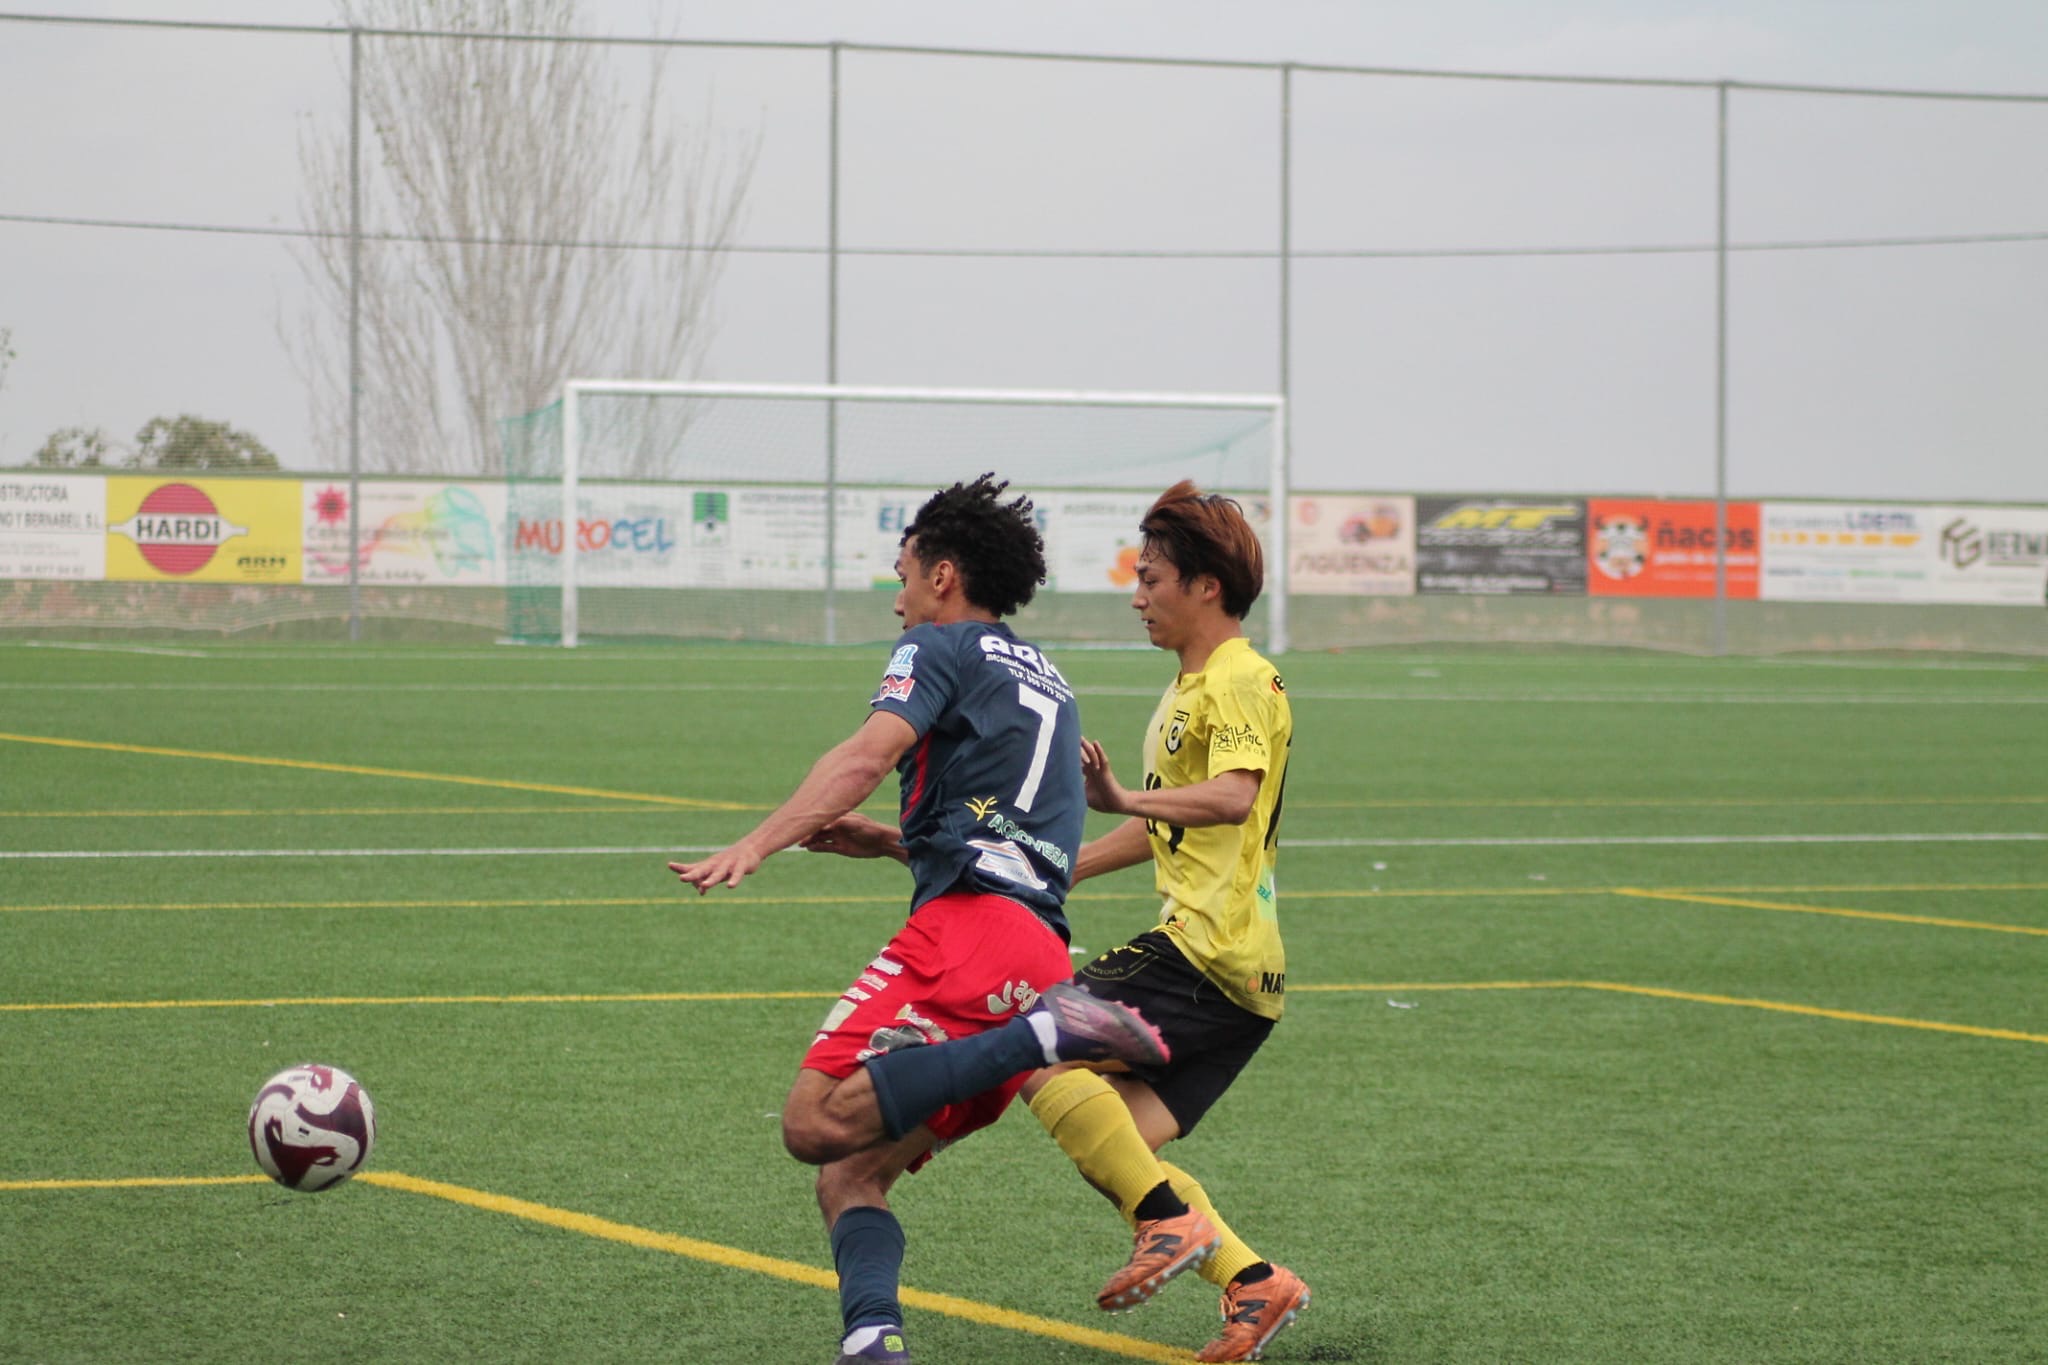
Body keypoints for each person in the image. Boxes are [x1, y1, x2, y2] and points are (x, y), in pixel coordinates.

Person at [670, 473, 1169, 1365]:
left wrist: (757, 841)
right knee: (850, 1172)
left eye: (903, 575)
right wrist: (897, 844)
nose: (897, 598)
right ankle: (873, 1340)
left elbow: (866, 755)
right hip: (1033, 948)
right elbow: (1020, 845)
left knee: (812, 1123)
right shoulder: (1050, 679)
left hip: (970, 937)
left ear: (943, 575)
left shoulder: (938, 645)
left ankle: (1044, 1036)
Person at [1025, 480, 1307, 1363]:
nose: (1137, 596)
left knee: (1027, 1046)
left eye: (1150, 579)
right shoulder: (1190, 686)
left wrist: (1121, 794)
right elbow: (1170, 825)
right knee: (1120, 1148)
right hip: (1239, 979)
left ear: (1205, 586)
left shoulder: (1240, 678)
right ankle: (1253, 1281)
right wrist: (1060, 867)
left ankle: (1171, 1226)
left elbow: (1230, 797)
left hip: (1203, 952)